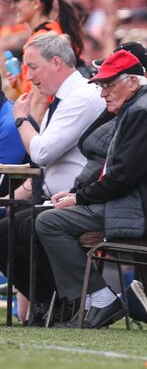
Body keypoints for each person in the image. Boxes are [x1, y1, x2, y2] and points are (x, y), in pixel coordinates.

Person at [35, 49, 147, 329]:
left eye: (108, 85)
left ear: (131, 82)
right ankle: (93, 300)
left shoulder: (143, 111)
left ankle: (101, 299)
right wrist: (75, 197)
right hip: (140, 205)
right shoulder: (141, 105)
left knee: (48, 222)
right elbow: (117, 172)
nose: (103, 93)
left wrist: (78, 198)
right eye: (101, 86)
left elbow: (122, 178)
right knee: (42, 218)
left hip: (143, 212)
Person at [0, 33, 104, 324]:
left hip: (76, 200)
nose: (28, 76)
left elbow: (42, 152)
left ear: (56, 62)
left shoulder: (81, 96)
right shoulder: (61, 99)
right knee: (9, 226)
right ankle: (49, 301)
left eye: (33, 67)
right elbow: (41, 164)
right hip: (56, 196)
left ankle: (60, 300)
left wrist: (23, 120)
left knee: (16, 227)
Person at [2, 0, 87, 96]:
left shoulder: (40, 41)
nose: (13, 5)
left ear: (36, 3)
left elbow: (40, 101)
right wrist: (19, 84)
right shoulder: (55, 29)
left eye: (18, 0)